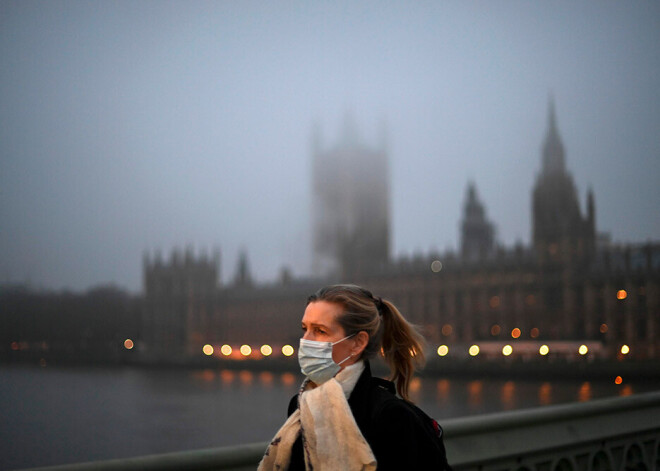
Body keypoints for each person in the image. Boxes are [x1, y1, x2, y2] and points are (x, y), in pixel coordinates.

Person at [258, 284, 451, 471]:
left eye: (320, 331)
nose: (305, 340)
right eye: (304, 328)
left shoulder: (392, 418)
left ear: (358, 343)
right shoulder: (300, 406)